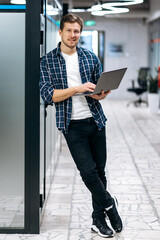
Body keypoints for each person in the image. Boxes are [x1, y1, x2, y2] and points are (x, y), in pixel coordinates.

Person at [39, 13, 122, 238]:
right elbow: (49, 95)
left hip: (96, 121)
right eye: (69, 30)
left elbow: (98, 92)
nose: (73, 35)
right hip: (72, 125)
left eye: (77, 31)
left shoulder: (90, 57)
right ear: (61, 32)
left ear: (80, 33)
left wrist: (101, 94)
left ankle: (98, 219)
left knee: (100, 172)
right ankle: (109, 205)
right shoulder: (47, 60)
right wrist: (76, 89)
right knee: (87, 172)